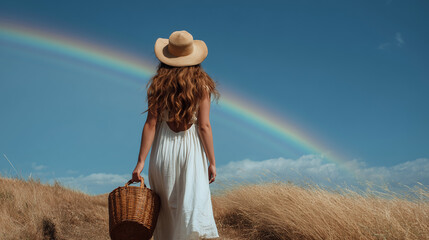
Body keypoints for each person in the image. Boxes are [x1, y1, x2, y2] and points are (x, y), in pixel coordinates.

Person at [131, 30, 220, 240]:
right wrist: (212, 162)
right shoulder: (202, 86)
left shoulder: (158, 87)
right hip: (190, 153)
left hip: (163, 152)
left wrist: (140, 162)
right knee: (191, 210)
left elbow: (150, 125)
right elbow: (204, 126)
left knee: (166, 214)